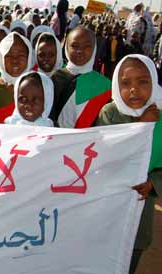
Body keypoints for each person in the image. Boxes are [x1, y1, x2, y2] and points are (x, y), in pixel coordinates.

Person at [96, 55, 162, 274]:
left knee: (132, 250)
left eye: (142, 81)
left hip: (141, 203)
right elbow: (106, 155)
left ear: (153, 80)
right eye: (126, 83)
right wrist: (140, 126)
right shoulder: (110, 113)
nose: (134, 89)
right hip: (110, 199)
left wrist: (152, 184)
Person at [50, 26, 111, 128]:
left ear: (94, 48)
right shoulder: (55, 78)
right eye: (74, 46)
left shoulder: (105, 85)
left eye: (87, 46)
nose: (80, 51)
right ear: (66, 47)